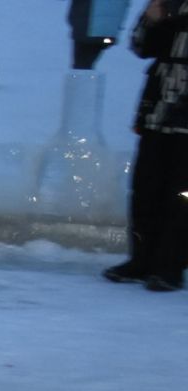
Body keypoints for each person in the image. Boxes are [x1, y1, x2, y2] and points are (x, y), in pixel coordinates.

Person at [104, 0, 188, 292]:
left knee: (182, 195)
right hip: (157, 111)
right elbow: (141, 47)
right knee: (145, 189)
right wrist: (153, 20)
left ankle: (170, 267)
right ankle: (140, 260)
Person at [70, 0, 135, 69]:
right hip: (106, 29)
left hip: (85, 25)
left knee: (81, 65)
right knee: (87, 62)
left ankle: (83, 77)